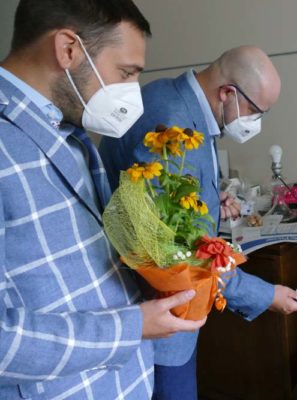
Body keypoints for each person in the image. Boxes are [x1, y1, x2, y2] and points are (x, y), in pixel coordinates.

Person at [0, 1, 208, 398]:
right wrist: (133, 326)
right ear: (68, 49)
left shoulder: (70, 134)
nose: (131, 93)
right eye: (125, 73)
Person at [99, 46, 297, 400]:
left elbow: (168, 195)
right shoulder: (172, 122)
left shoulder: (174, 95)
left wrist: (211, 198)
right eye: (254, 111)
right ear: (227, 93)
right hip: (157, 311)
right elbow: (177, 251)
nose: (256, 123)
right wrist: (267, 295)